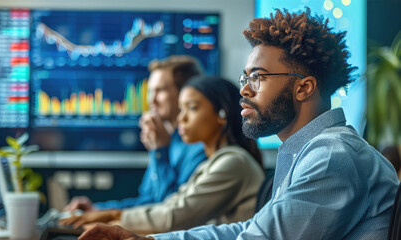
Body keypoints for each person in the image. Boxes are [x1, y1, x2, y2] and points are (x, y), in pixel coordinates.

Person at [77, 8, 399, 240]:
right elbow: (251, 229)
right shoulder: (307, 151)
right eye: (246, 77)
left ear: (304, 88)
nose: (243, 89)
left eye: (257, 78)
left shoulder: (332, 156)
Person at [61, 76, 264, 233]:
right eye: (181, 109)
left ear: (222, 115)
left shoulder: (233, 162)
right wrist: (104, 216)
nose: (181, 118)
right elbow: (170, 205)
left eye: (191, 108)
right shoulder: (215, 162)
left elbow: (174, 217)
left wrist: (111, 217)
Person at [65, 56, 207, 212]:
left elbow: (169, 210)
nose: (152, 101)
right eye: (150, 91)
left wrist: (160, 152)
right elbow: (147, 201)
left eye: (160, 91)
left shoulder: (199, 147)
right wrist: (98, 210)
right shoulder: (167, 140)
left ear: (185, 93)